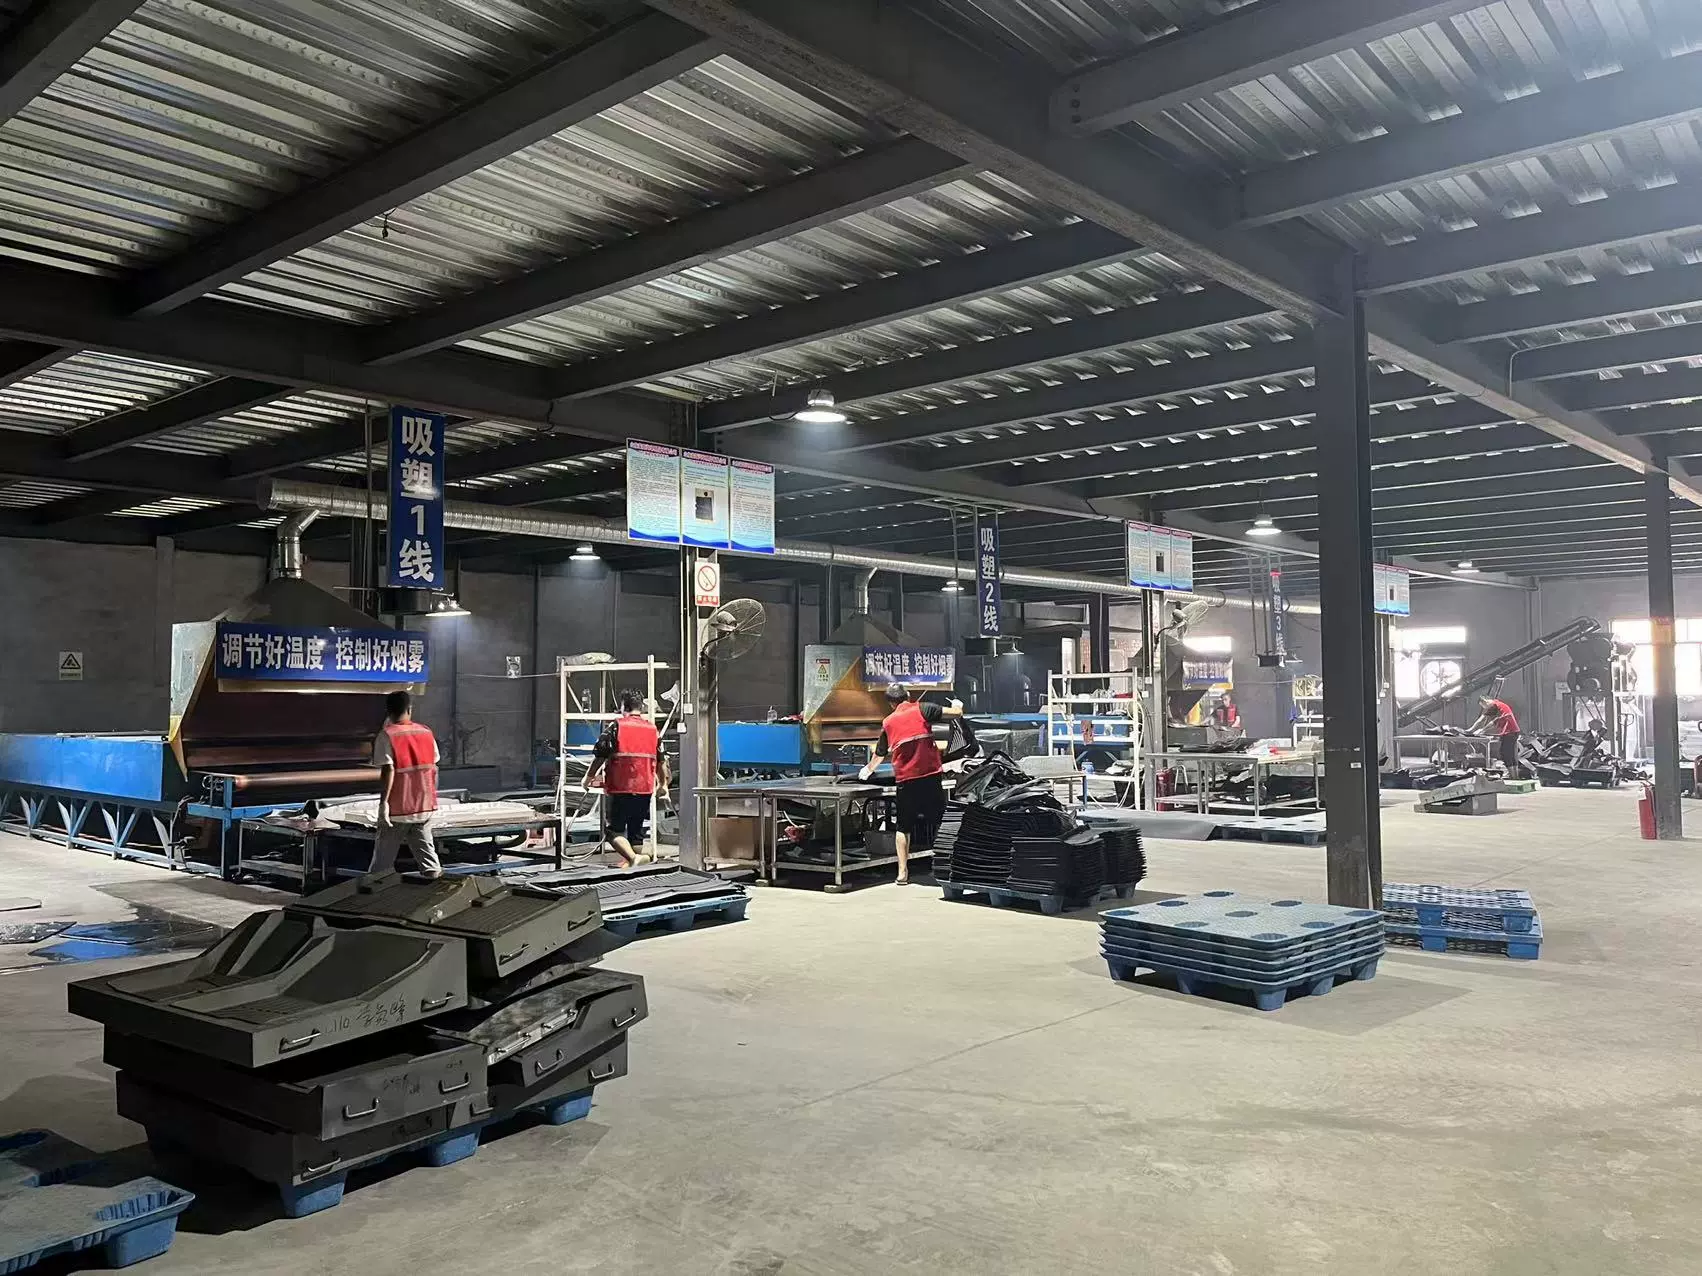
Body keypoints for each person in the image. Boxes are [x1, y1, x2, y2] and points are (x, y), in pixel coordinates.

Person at [860, 683, 964, 885]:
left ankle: (902, 873)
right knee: (940, 822)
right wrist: (958, 705)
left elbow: (880, 753)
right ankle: (944, 866)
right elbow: (956, 714)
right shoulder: (923, 709)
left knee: (903, 826)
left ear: (891, 703)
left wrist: (868, 770)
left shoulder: (888, 722)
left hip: (906, 780)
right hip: (930, 775)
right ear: (907, 695)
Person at [586, 690, 668, 868]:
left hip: (620, 787)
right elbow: (661, 761)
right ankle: (634, 865)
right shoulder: (652, 730)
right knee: (635, 832)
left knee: (613, 832)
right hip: (645, 788)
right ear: (642, 707)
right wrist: (663, 784)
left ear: (624, 706)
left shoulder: (616, 726)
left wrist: (588, 777)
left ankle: (632, 858)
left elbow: (600, 755)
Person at [372, 689, 442, 879]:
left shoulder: (387, 735)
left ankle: (377, 894)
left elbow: (388, 770)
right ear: (409, 709)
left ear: (388, 711)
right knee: (428, 858)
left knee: (381, 864)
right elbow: (433, 767)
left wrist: (383, 804)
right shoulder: (426, 732)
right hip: (424, 807)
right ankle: (436, 890)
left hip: (398, 809)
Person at [1468, 695, 1522, 778]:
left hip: (1509, 732)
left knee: (1505, 754)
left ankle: (1513, 776)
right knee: (1511, 754)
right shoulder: (1498, 705)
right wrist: (1471, 729)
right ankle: (1515, 776)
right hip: (1514, 731)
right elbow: (1482, 719)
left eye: (1484, 706)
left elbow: (1492, 722)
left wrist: (1481, 730)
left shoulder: (1495, 705)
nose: (1485, 708)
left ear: (1485, 701)